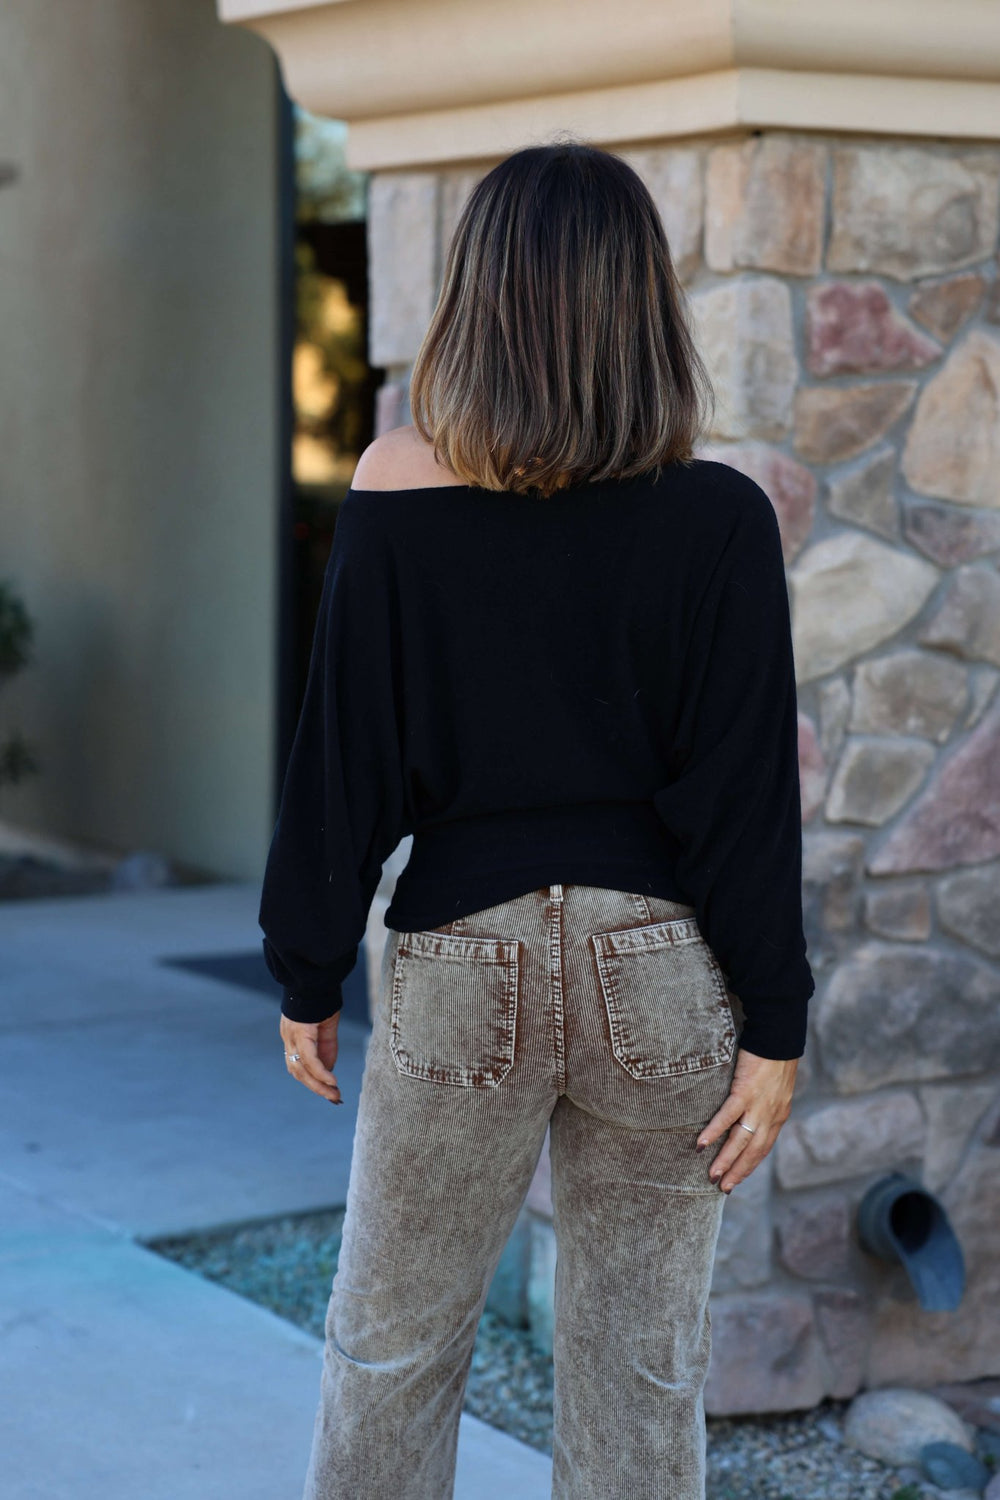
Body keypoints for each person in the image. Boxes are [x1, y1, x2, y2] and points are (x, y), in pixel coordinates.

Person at [258, 139, 815, 1500]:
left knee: (394, 1351)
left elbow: (346, 760)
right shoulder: (721, 519)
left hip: (462, 961)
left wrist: (306, 963)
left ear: (480, 295)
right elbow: (745, 800)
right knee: (638, 1376)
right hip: (662, 971)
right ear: (642, 304)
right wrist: (778, 1027)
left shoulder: (394, 487)